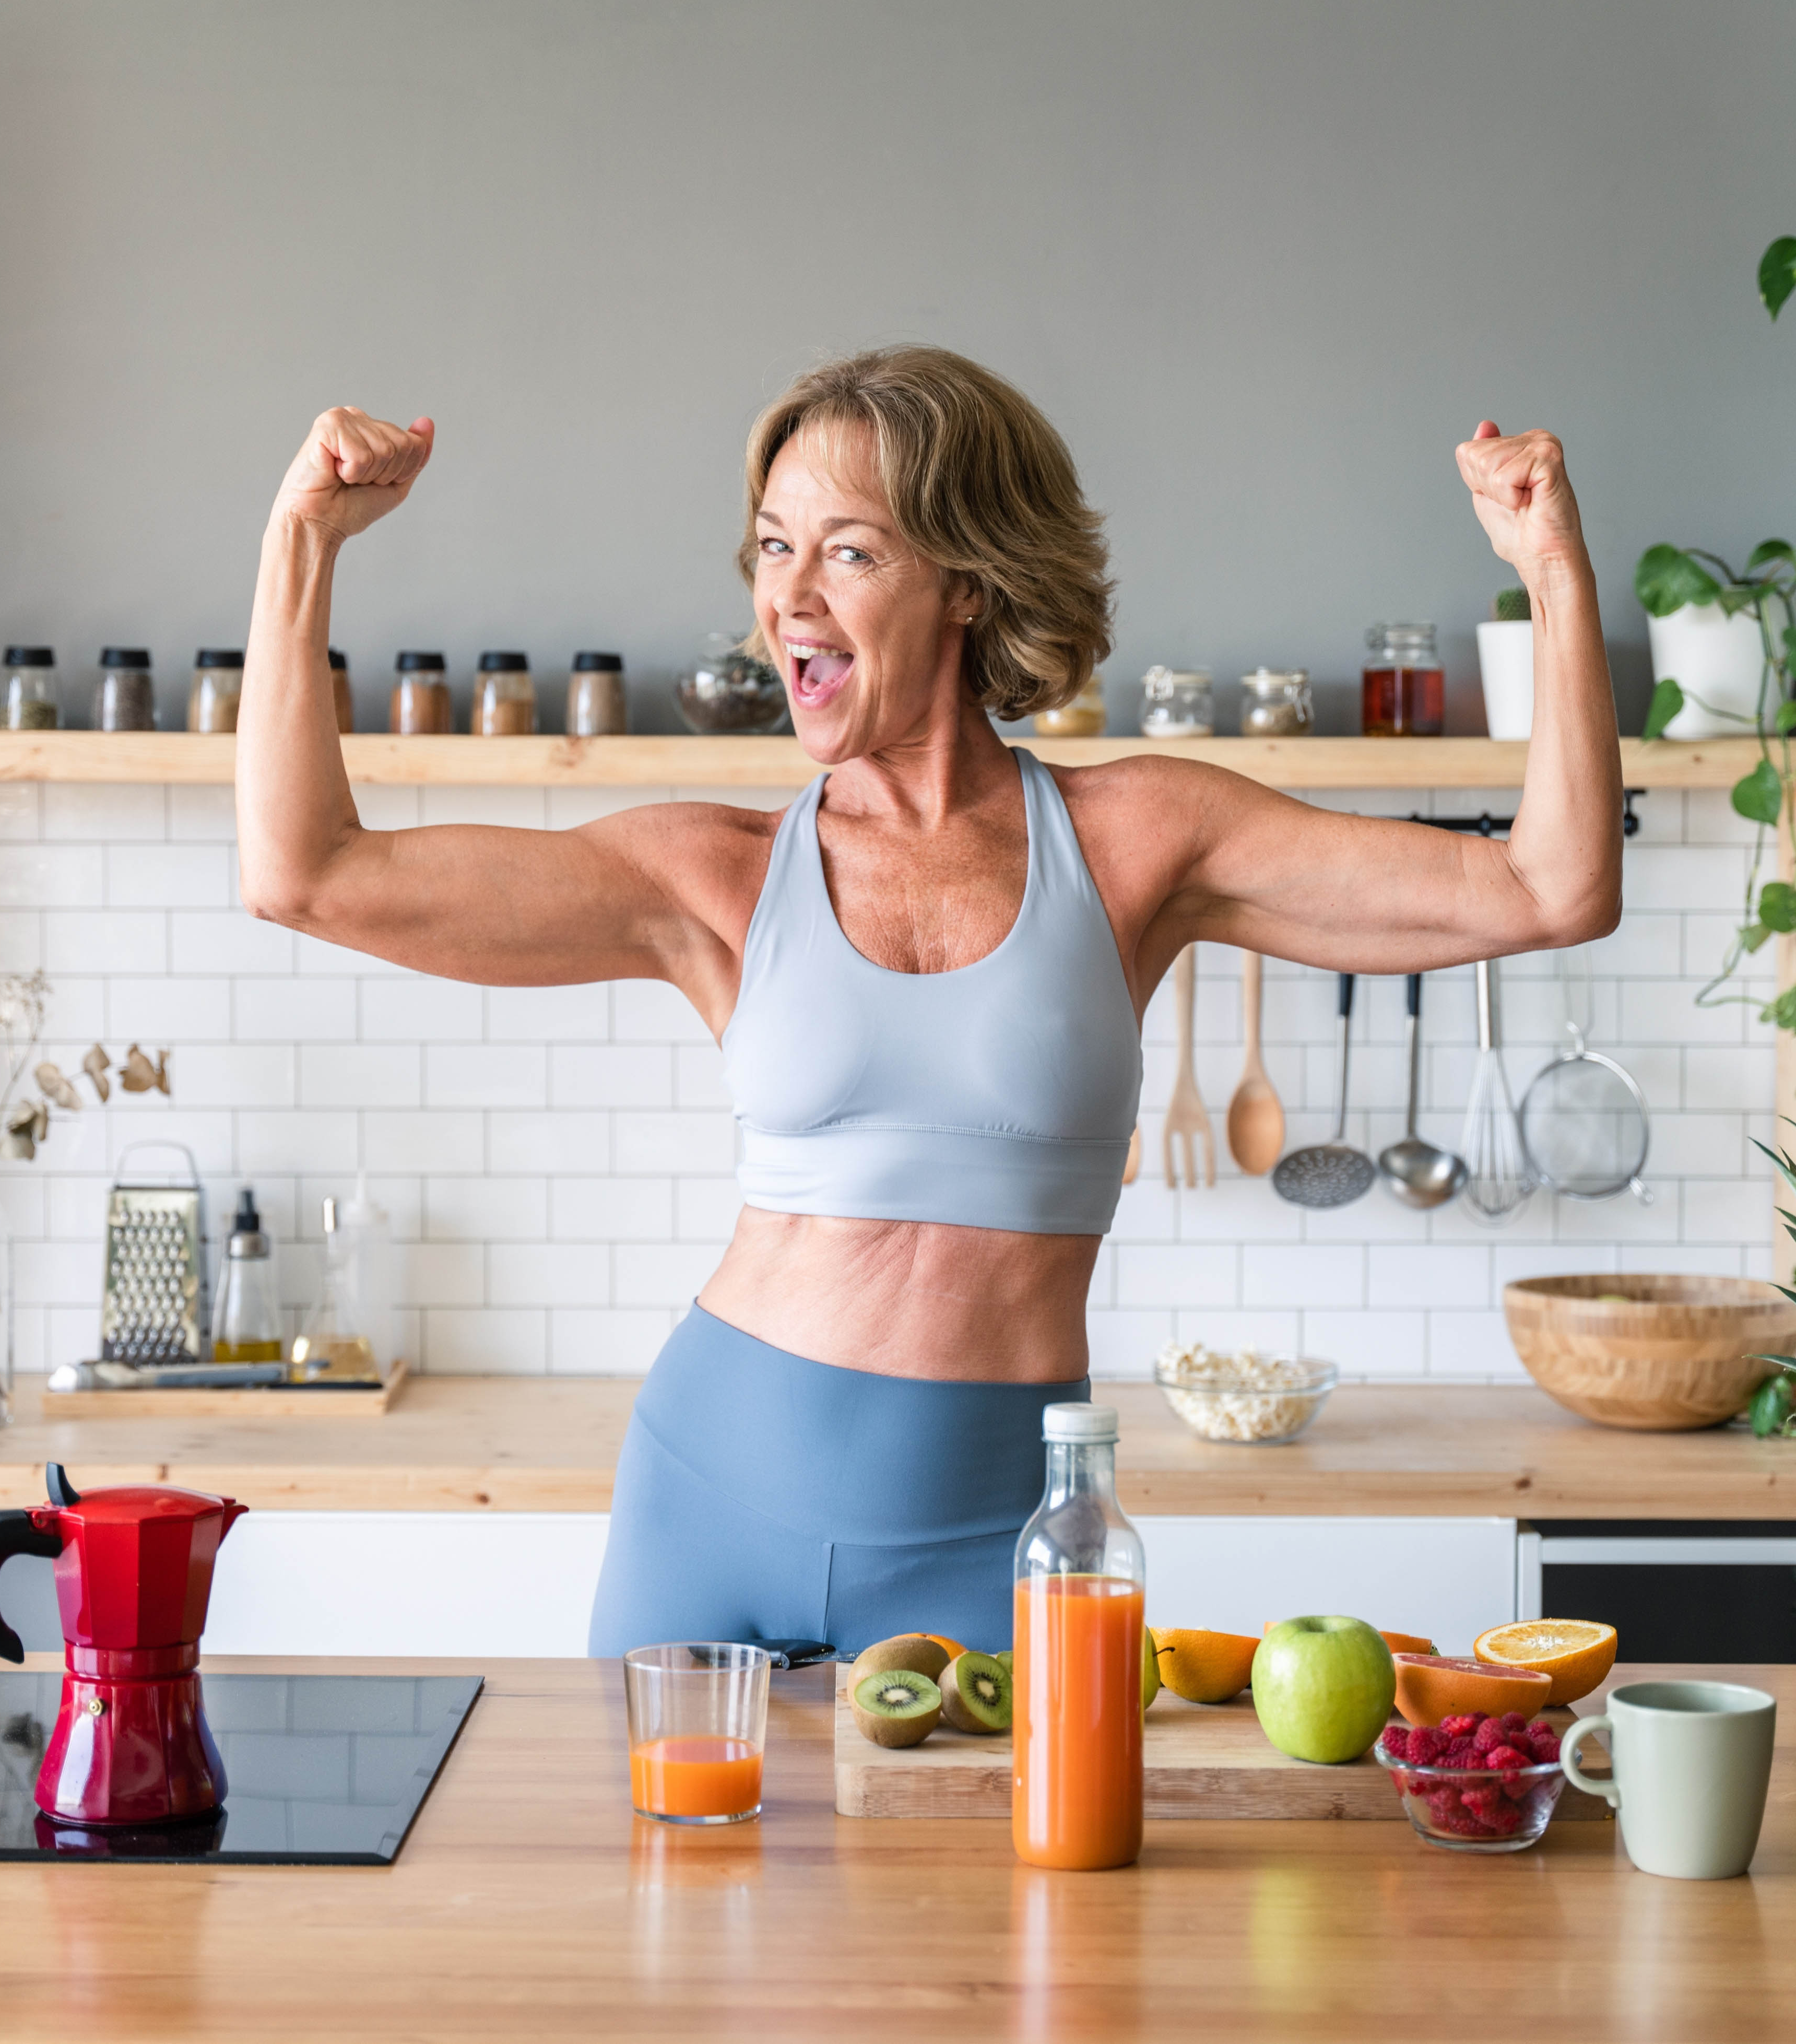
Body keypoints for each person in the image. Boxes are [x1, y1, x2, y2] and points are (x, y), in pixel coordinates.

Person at [236, 346, 1621, 1655]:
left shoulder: (1140, 840)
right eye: (773, 547)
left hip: (992, 1539)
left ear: (967, 579)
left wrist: (1550, 574)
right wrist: (302, 542)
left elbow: (1549, 888)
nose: (789, 596)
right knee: (655, 1905)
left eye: (847, 549)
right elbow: (305, 874)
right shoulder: (713, 875)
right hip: (708, 1498)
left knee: (997, 1913)